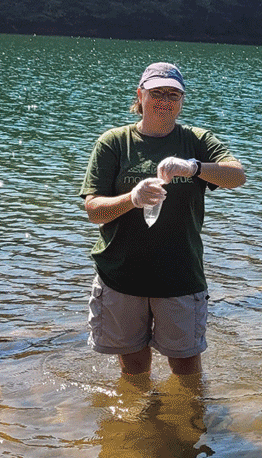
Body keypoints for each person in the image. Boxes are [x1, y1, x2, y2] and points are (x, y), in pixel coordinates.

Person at [81, 62, 246, 377]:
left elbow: (237, 176)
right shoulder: (114, 142)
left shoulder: (196, 139)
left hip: (179, 275)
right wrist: (133, 198)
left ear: (182, 101)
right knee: (133, 368)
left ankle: (188, 423)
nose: (165, 100)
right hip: (121, 275)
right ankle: (142, 423)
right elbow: (94, 211)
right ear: (140, 95)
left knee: (186, 368)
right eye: (157, 92)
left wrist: (194, 167)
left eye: (174, 94)